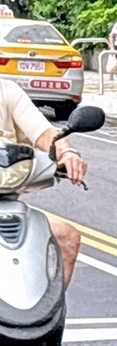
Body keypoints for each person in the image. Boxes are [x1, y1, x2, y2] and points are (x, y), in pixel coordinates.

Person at [0, 78, 87, 287]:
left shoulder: (6, 90)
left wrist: (67, 152)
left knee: (66, 238)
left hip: (7, 202)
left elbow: (45, 133)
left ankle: (51, 317)